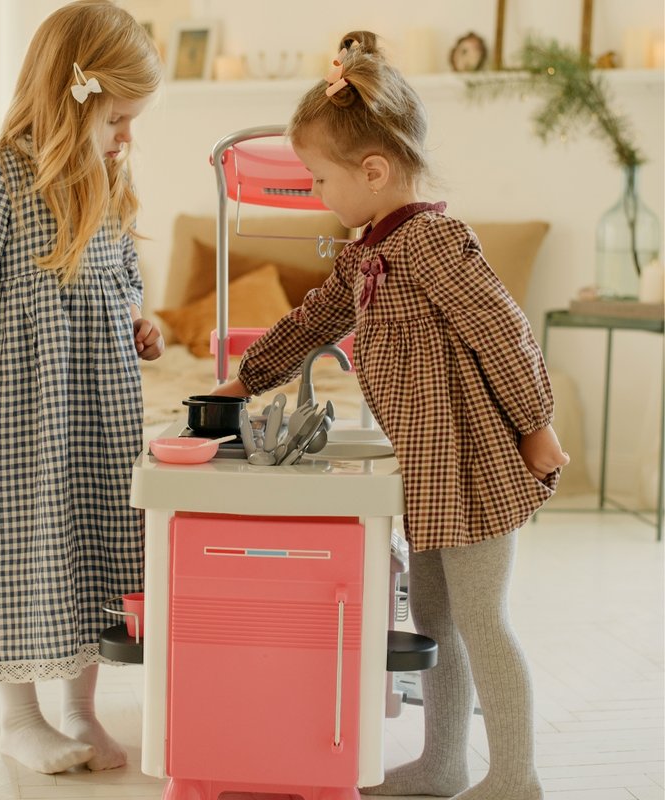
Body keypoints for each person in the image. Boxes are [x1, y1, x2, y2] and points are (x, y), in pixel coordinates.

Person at [212, 31, 569, 800]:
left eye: (320, 181)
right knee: (437, 617)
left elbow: (503, 331)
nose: (317, 195)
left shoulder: (435, 244)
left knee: (484, 622)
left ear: (374, 171)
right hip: (434, 474)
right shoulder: (368, 253)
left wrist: (537, 423)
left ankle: (517, 778)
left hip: (476, 467)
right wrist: (250, 379)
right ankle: (443, 764)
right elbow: (312, 321)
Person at [0, 1, 164, 775]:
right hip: (19, 414)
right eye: (119, 118)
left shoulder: (108, 183)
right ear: (77, 101)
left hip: (95, 410)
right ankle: (19, 717)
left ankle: (78, 709)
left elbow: (121, 278)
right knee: (20, 551)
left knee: (93, 550)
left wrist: (139, 321)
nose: (128, 136)